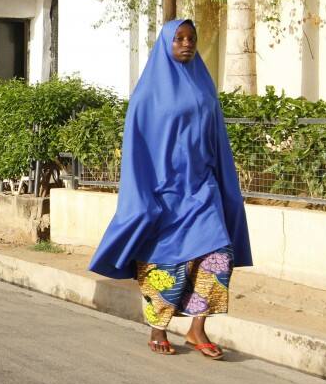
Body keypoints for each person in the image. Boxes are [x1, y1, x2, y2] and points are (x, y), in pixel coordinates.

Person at [89, 19, 252, 359]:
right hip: (163, 192)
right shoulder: (147, 94)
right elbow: (138, 148)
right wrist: (142, 194)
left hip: (202, 189)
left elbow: (216, 141)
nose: (186, 44)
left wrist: (224, 187)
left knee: (218, 254)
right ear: (166, 43)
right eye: (178, 38)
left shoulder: (204, 86)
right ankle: (158, 328)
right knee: (165, 262)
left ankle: (197, 329)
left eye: (191, 38)